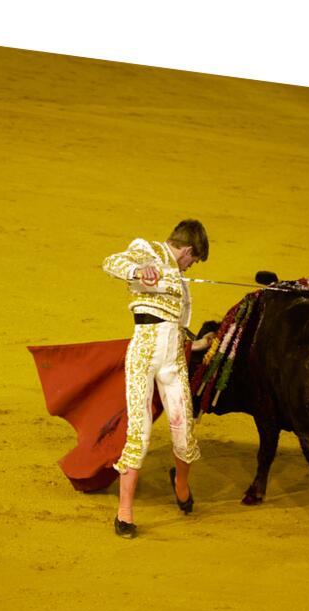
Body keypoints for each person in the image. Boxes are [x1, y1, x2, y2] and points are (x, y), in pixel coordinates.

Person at [101, 219, 210, 538]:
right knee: (140, 431)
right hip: (144, 354)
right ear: (188, 250)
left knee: (184, 430)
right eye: (194, 260)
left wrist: (199, 344)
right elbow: (112, 262)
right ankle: (124, 514)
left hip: (173, 357)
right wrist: (138, 271)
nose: (191, 267)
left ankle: (181, 485)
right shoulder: (146, 250)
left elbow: (174, 325)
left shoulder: (181, 283)